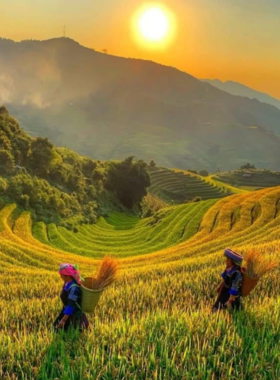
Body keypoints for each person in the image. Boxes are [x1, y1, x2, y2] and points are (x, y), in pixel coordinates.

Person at [54, 263, 89, 332]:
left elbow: (71, 306)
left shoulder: (74, 289)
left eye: (62, 275)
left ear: (67, 276)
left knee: (73, 332)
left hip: (74, 315)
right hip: (65, 311)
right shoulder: (67, 283)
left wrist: (63, 320)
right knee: (56, 328)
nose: (61, 277)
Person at [212, 248, 243, 313]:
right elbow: (224, 279)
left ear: (232, 261)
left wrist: (230, 300)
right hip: (224, 290)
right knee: (219, 303)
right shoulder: (228, 268)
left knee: (230, 308)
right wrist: (220, 286)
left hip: (231, 293)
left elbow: (235, 287)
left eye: (228, 260)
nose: (226, 261)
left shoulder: (236, 272)